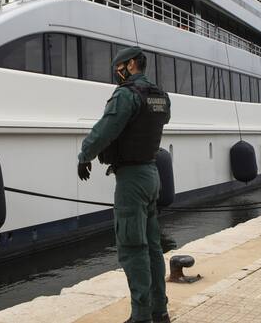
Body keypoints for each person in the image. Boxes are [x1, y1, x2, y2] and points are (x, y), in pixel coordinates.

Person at [77, 46, 172, 323]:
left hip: (131, 179)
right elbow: (159, 120)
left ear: (131, 65)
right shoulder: (160, 96)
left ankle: (141, 315)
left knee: (133, 248)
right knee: (153, 247)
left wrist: (85, 155)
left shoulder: (126, 95)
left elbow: (106, 129)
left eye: (119, 67)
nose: (116, 73)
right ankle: (159, 310)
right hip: (152, 173)